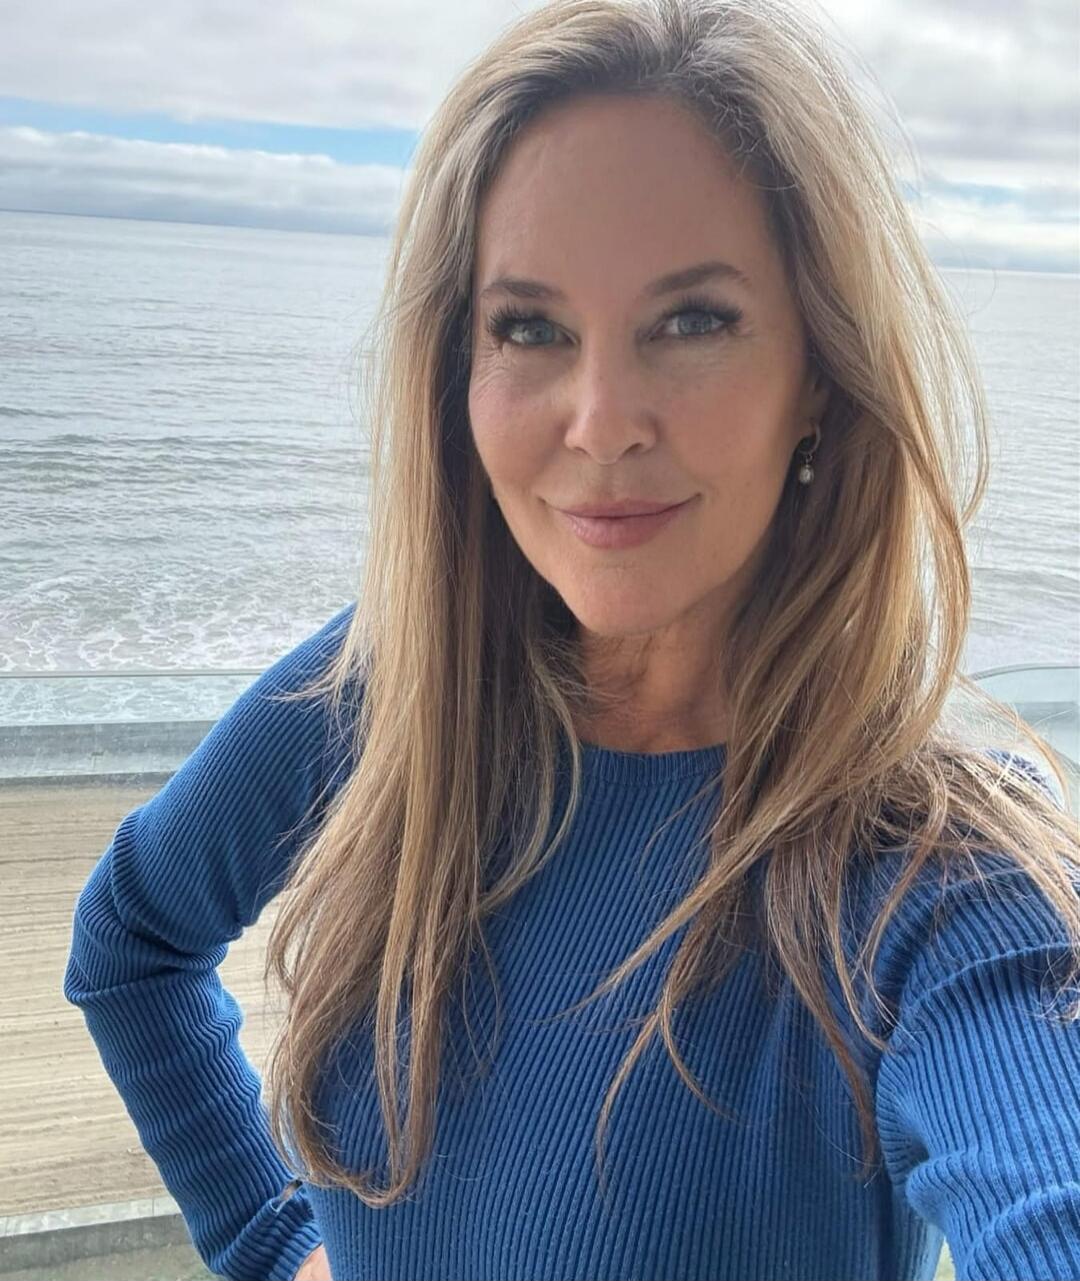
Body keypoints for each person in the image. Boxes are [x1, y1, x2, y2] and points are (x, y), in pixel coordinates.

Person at [64, 0, 1080, 1278]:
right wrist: (273, 1246)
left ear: (820, 373)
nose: (601, 422)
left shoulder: (938, 874)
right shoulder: (395, 691)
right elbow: (133, 941)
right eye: (531, 328)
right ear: (460, 367)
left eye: (693, 319)